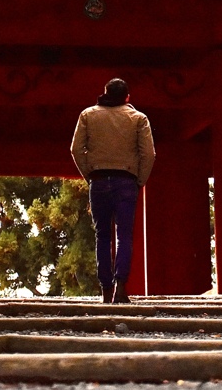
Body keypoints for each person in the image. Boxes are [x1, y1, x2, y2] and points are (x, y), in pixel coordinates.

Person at [70, 78, 155, 304]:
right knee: (124, 235)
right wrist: (140, 180)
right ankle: (121, 286)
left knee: (102, 236)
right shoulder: (138, 119)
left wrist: (89, 174)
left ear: (105, 93)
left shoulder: (88, 115)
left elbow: (76, 149)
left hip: (98, 179)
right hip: (126, 180)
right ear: (127, 97)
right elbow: (149, 154)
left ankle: (105, 289)